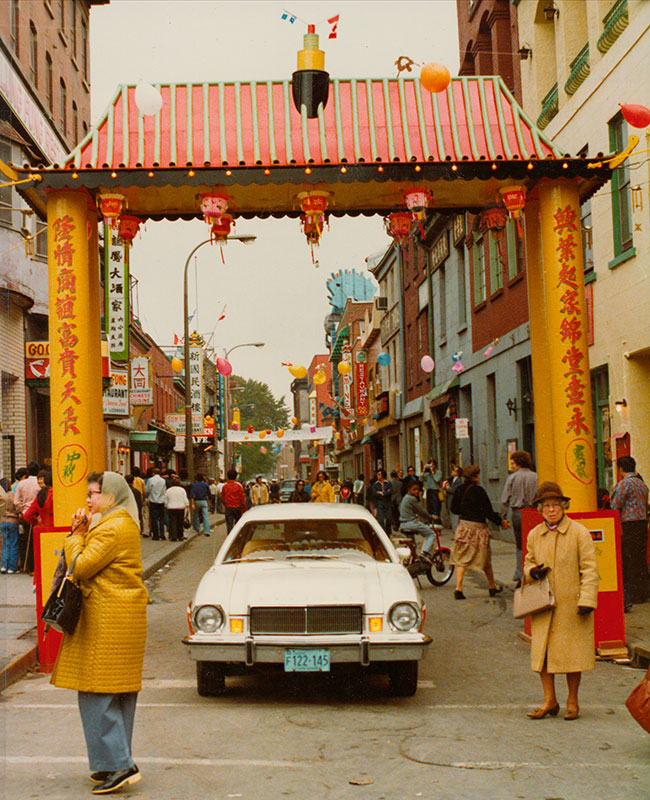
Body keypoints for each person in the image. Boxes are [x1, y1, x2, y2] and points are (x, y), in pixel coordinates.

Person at [51, 471, 148, 794]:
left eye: (94, 493)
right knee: (115, 694)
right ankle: (110, 763)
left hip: (108, 617)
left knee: (96, 694)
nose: (89, 500)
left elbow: (80, 566)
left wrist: (74, 534)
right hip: (118, 615)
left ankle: (120, 764)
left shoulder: (113, 527)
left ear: (111, 495)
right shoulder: (117, 522)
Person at [523, 481, 599, 721]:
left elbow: (589, 569)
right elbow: (528, 561)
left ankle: (572, 701)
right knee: (543, 655)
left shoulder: (579, 532)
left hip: (571, 604)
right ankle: (549, 700)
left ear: (564, 507)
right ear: (540, 509)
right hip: (544, 604)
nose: (551, 510)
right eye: (546, 506)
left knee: (572, 654)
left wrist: (587, 600)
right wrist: (532, 571)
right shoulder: (535, 534)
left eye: (556, 505)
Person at [450, 465, 510, 599]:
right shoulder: (480, 491)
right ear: (476, 476)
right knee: (486, 558)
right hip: (479, 528)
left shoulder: (459, 489)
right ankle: (492, 586)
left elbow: (454, 509)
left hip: (464, 527)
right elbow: (488, 512)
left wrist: (465, 510)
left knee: (461, 558)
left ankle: (458, 589)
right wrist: (501, 522)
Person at [610, 455, 649, 611]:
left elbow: (615, 505)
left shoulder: (624, 484)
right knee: (640, 559)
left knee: (629, 560)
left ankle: (632, 594)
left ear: (620, 469)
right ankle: (642, 592)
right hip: (642, 524)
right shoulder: (642, 484)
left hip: (629, 525)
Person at [500, 451, 538, 587]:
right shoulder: (536, 477)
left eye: (513, 464)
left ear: (518, 463)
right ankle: (533, 572)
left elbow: (505, 499)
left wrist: (503, 517)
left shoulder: (512, 478)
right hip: (533, 512)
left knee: (520, 546)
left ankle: (520, 573)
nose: (512, 466)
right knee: (534, 544)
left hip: (517, 512)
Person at [399, 481, 438, 557]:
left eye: (418, 489)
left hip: (403, 524)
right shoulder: (411, 499)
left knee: (413, 544)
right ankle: (425, 553)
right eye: (414, 489)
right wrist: (431, 517)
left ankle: (413, 558)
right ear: (409, 490)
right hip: (411, 523)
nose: (416, 491)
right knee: (431, 534)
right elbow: (421, 511)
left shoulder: (405, 498)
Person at [14, 462, 40, 573]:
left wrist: (22, 510)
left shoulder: (22, 484)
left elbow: (16, 501)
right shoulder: (39, 483)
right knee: (37, 541)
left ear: (28, 471)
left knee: (27, 542)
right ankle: (39, 566)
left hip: (26, 515)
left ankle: (29, 567)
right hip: (38, 515)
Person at [0, 477, 20, 574]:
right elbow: (18, 508)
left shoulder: (1, 496)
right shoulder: (13, 495)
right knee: (13, 544)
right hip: (13, 521)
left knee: (5, 544)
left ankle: (4, 566)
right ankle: (12, 567)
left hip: (3, 521)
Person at [145, 468, 167, 541]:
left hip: (153, 501)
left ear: (153, 473)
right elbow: (164, 490)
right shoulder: (163, 480)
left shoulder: (151, 480)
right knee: (161, 518)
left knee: (154, 518)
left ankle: (156, 535)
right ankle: (162, 534)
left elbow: (147, 490)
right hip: (161, 501)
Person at [372, 469, 393, 535]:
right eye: (377, 474)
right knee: (380, 519)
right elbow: (374, 494)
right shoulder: (375, 484)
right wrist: (386, 492)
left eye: (379, 474)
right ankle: (382, 533)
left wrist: (381, 493)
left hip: (387, 503)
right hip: (380, 503)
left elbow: (391, 492)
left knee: (388, 518)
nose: (377, 476)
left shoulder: (388, 483)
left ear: (383, 475)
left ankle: (388, 533)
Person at [446, 466, 464, 532]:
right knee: (452, 518)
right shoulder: (452, 480)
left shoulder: (459, 480)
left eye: (454, 471)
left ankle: (456, 532)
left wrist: (448, 488)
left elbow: (455, 490)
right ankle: (454, 532)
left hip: (454, 501)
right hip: (450, 500)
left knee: (455, 519)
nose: (452, 472)